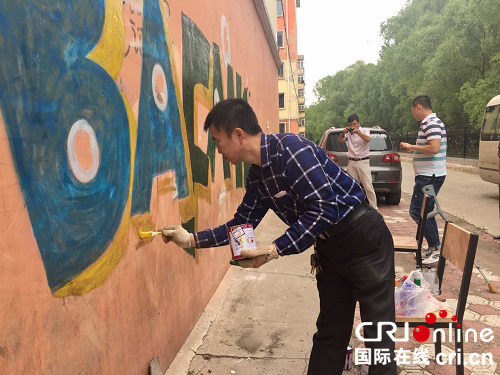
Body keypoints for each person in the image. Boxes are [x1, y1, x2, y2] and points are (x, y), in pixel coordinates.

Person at [162, 98, 397, 375]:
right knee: (330, 332)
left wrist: (274, 249)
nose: (218, 150)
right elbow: (242, 223)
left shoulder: (292, 151)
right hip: (329, 247)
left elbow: (324, 208)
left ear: (238, 134)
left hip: (362, 237)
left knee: (377, 334)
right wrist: (190, 239)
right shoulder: (258, 177)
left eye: (217, 141)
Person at [400, 95, 447, 265]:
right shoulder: (429, 123)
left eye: (412, 110)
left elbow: (434, 148)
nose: (413, 114)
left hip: (430, 175)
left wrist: (412, 147)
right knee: (424, 211)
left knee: (418, 211)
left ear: (418, 107)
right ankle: (432, 246)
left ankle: (435, 247)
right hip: (428, 174)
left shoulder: (432, 123)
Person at [337, 114, 378, 209]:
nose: (352, 127)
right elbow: (340, 140)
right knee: (352, 186)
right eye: (350, 125)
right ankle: (355, 208)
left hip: (363, 161)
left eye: (354, 124)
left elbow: (368, 139)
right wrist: (343, 133)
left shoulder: (364, 131)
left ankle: (374, 208)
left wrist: (357, 132)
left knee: (368, 186)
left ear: (359, 123)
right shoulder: (348, 132)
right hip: (351, 161)